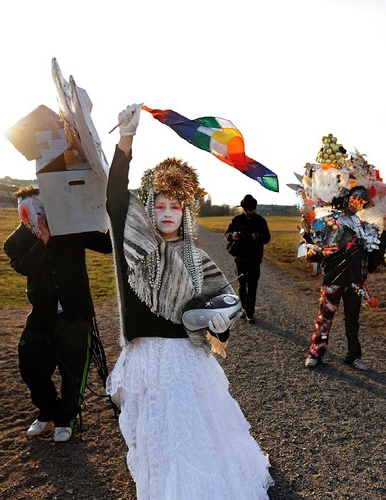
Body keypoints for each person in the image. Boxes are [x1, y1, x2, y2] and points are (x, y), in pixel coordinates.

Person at [105, 103, 273, 499]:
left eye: (176, 206)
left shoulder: (197, 260)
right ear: (148, 208)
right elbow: (114, 198)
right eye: (159, 205)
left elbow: (221, 310)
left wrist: (222, 324)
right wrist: (126, 137)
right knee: (158, 441)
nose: (167, 213)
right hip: (146, 358)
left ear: (186, 213)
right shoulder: (135, 246)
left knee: (195, 436)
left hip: (186, 362)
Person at [3, 186, 113, 443]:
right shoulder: (16, 241)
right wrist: (43, 239)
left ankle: (65, 419)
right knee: (30, 365)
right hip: (41, 315)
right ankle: (47, 410)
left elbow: (106, 245)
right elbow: (26, 266)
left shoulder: (70, 227)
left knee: (73, 372)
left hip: (75, 313)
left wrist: (111, 210)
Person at [304, 186, 386, 371]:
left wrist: (381, 243)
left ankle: (354, 356)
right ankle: (315, 352)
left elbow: (371, 256)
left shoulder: (364, 225)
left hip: (354, 281)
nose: (356, 204)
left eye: (361, 201)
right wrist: (311, 243)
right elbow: (317, 250)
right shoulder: (331, 220)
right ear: (346, 198)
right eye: (354, 199)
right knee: (325, 317)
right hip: (333, 279)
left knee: (353, 321)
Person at [224, 194, 271, 323]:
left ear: (255, 208)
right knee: (241, 286)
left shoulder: (260, 221)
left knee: (252, 286)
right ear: (243, 208)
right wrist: (232, 236)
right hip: (240, 258)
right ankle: (244, 309)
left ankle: (250, 313)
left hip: (255, 259)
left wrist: (258, 237)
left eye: (251, 210)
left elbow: (267, 238)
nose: (249, 212)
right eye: (246, 210)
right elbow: (226, 234)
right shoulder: (237, 220)